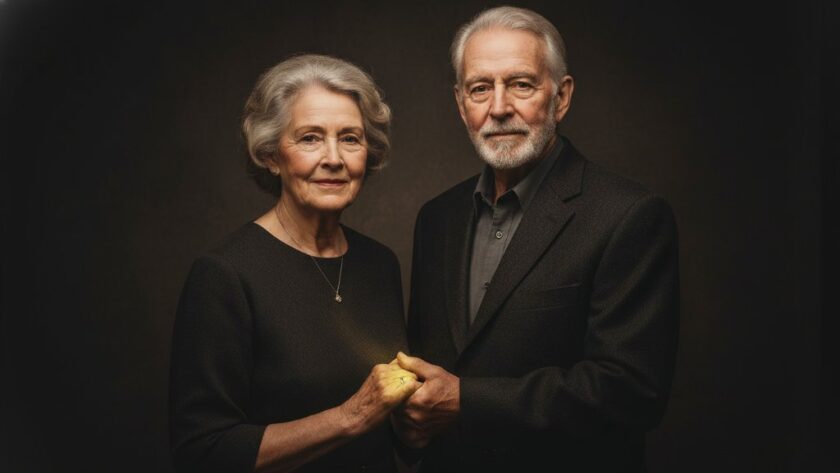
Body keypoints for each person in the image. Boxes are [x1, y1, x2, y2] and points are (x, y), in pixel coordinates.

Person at [391, 6, 680, 471]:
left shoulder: (628, 215)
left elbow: (631, 392)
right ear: (461, 104)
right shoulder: (436, 219)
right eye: (480, 88)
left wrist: (467, 400)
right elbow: (427, 369)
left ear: (561, 97)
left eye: (521, 84)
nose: (499, 107)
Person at [169, 54, 421, 473]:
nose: (334, 158)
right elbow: (203, 451)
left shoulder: (379, 264)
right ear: (271, 155)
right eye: (310, 138)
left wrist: (414, 423)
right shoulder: (225, 275)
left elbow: (390, 428)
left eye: (350, 138)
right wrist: (351, 417)